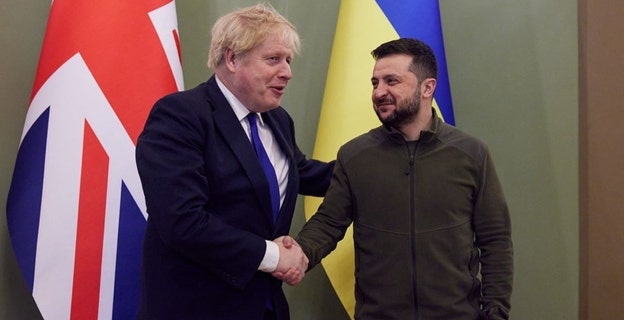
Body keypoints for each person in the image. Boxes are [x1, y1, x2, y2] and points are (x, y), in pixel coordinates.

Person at [135, 3, 334, 320]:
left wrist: (376, 156)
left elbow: (304, 174)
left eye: (288, 60)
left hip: (263, 306)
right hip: (196, 308)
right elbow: (182, 221)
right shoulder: (181, 116)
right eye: (273, 59)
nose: (287, 71)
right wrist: (274, 256)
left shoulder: (277, 120)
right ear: (231, 58)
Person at [291, 38, 513, 319]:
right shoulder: (355, 156)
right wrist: (297, 254)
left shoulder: (471, 154)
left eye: (391, 81)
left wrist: (495, 312)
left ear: (427, 87)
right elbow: (328, 223)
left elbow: (496, 240)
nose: (379, 92)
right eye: (375, 83)